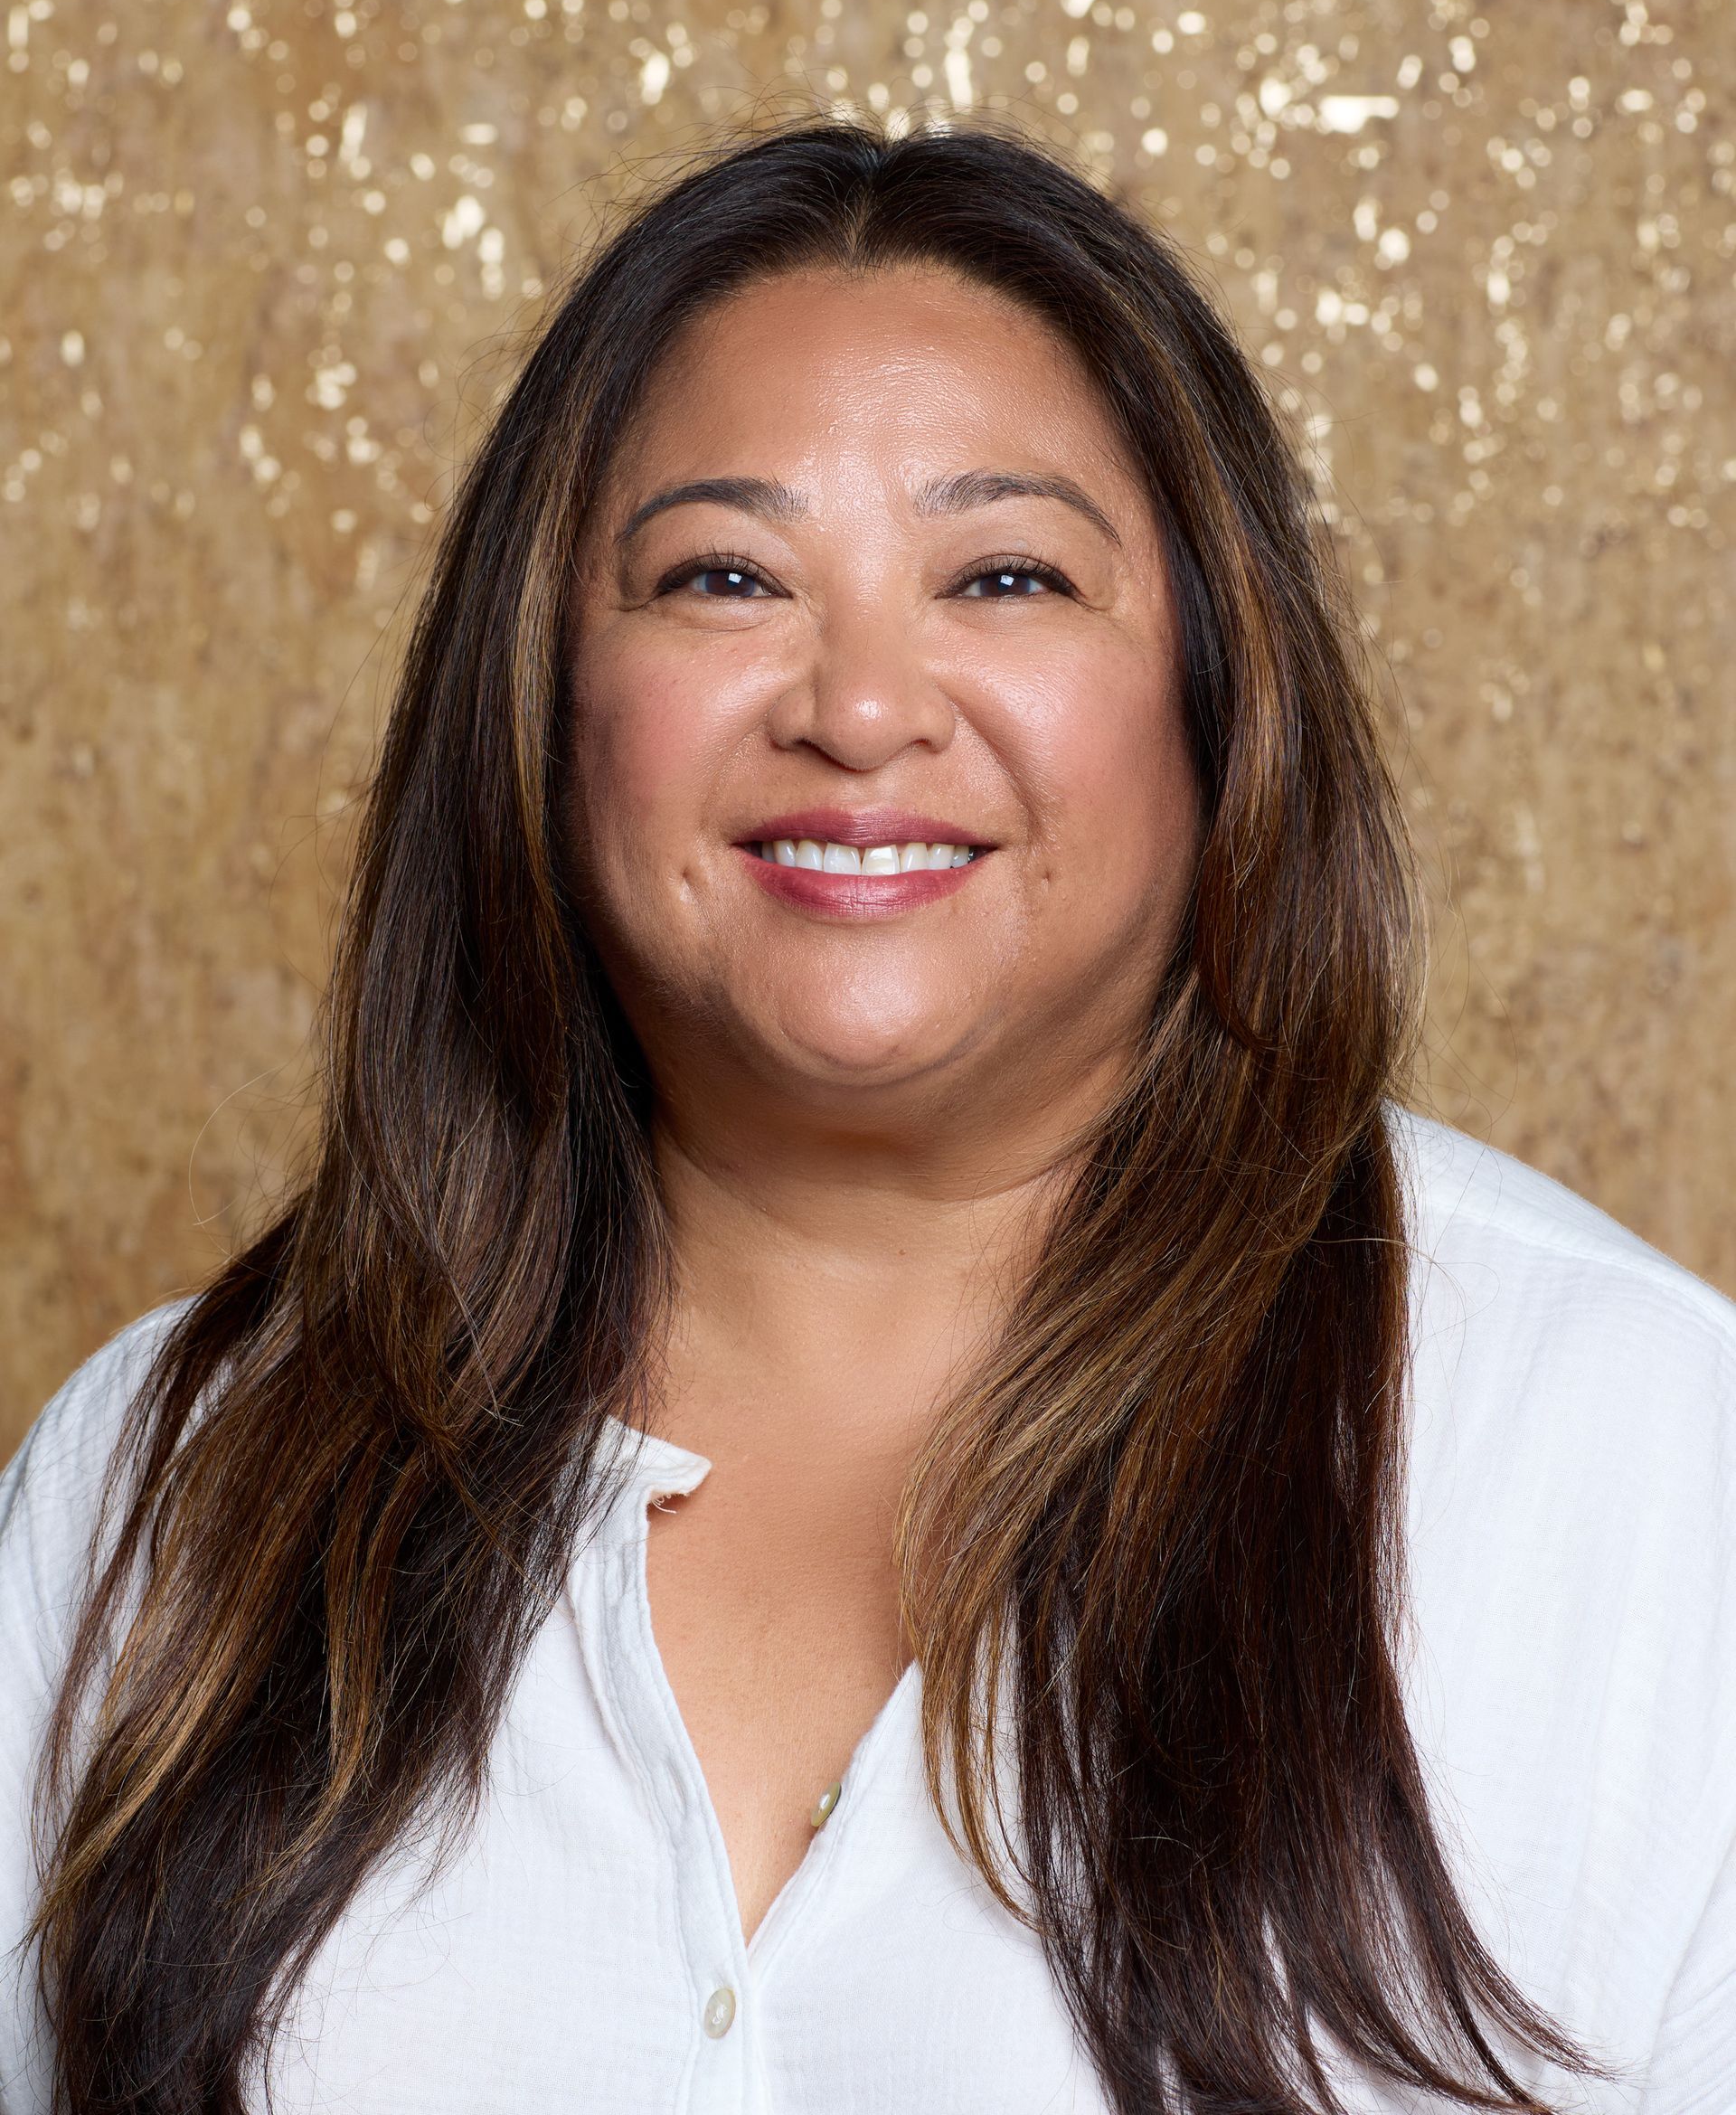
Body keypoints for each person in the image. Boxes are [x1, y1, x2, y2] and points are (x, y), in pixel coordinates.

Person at [2, 118, 1731, 2115]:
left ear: (1214, 699)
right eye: (725, 577)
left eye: (1005, 573)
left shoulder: (1644, 1471)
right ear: (551, 709)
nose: (861, 707)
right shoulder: (167, 1490)